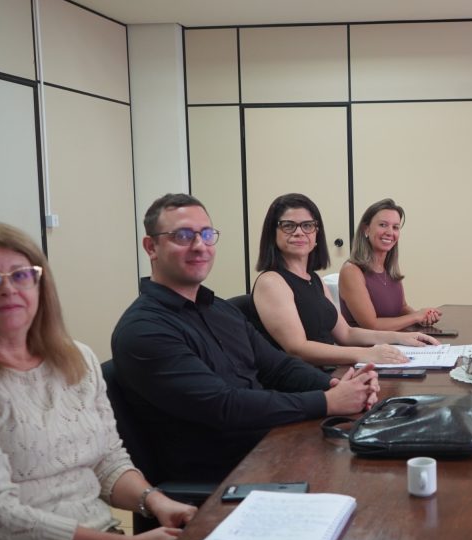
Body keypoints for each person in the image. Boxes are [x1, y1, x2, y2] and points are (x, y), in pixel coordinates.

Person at [0, 222, 197, 540]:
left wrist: (156, 502)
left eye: (21, 275)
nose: (8, 289)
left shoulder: (76, 359)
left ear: (39, 285)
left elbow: (107, 461)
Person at [111, 193, 379, 483]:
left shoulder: (220, 310)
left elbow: (278, 367)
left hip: (273, 442)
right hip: (226, 475)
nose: (199, 246)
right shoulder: (144, 330)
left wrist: (338, 387)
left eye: (206, 234)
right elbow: (224, 406)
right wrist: (327, 401)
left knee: (382, 455)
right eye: (183, 236)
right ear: (151, 247)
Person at [252, 193, 439, 366]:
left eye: (307, 226)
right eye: (288, 226)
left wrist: (400, 338)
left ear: (316, 234)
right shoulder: (271, 282)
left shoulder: (314, 279)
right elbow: (297, 349)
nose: (299, 232)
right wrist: (367, 354)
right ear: (272, 233)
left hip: (330, 370)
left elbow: (346, 334)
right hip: (305, 380)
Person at [339, 198, 443, 331]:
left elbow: (402, 308)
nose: (390, 232)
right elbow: (371, 325)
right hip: (365, 344)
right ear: (366, 229)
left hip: (396, 340)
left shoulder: (389, 269)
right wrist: (416, 317)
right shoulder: (351, 271)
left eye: (395, 227)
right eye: (383, 225)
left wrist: (424, 317)